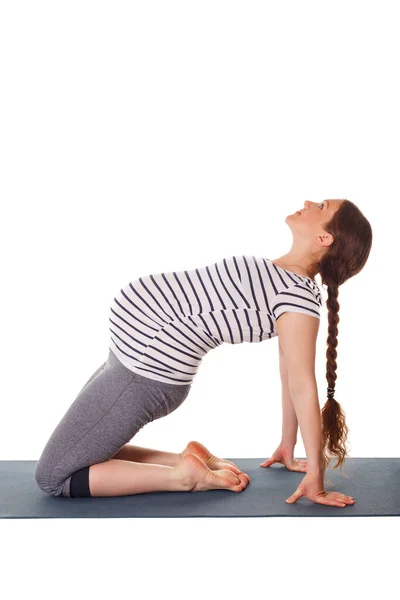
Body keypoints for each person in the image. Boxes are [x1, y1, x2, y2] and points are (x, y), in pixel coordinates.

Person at [35, 199, 372, 507]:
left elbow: (300, 383)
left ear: (325, 238)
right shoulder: (281, 275)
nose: (309, 203)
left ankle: (184, 477)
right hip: (130, 360)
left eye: (322, 206)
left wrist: (316, 472)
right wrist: (288, 446)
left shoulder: (298, 299)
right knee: (85, 451)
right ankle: (186, 461)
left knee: (54, 476)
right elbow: (286, 371)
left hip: (143, 374)